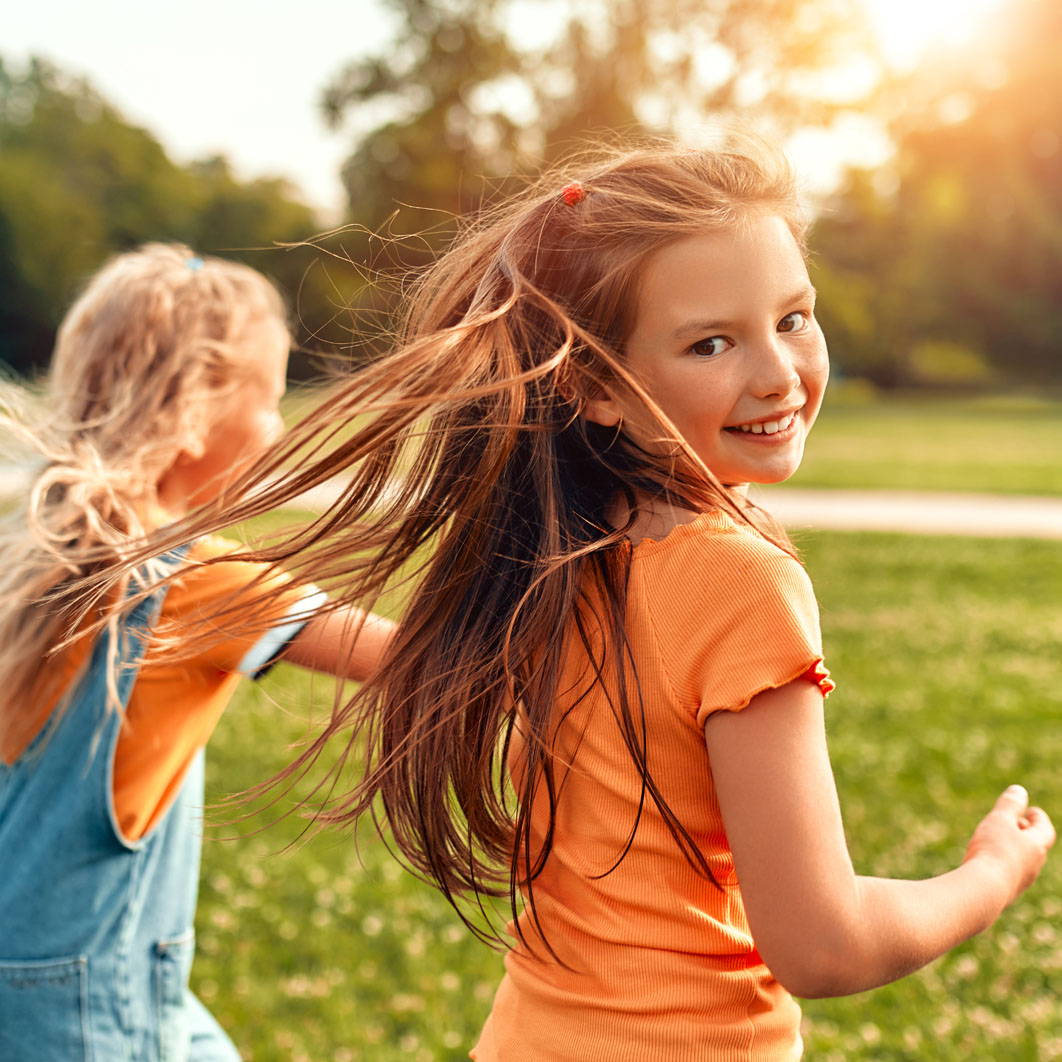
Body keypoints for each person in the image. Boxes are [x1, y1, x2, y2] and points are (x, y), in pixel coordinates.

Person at [127, 141, 1053, 1060]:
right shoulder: (739, 581)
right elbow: (820, 943)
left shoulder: (552, 545)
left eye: (795, 318)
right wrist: (986, 878)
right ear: (598, 385)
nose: (777, 372)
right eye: (712, 342)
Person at [0, 244, 394, 1061]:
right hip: (89, 1009)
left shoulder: (28, 543)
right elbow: (415, 656)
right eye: (272, 402)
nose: (279, 429)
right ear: (193, 414)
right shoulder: (196, 581)